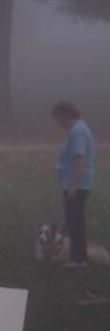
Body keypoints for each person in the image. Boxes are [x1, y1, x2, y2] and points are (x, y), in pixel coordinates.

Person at [52, 100, 96, 266]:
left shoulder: (78, 131)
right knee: (74, 220)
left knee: (75, 221)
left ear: (64, 115)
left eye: (57, 119)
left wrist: (73, 186)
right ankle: (78, 256)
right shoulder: (78, 129)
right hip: (76, 183)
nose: (58, 123)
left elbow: (79, 159)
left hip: (77, 184)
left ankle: (78, 259)